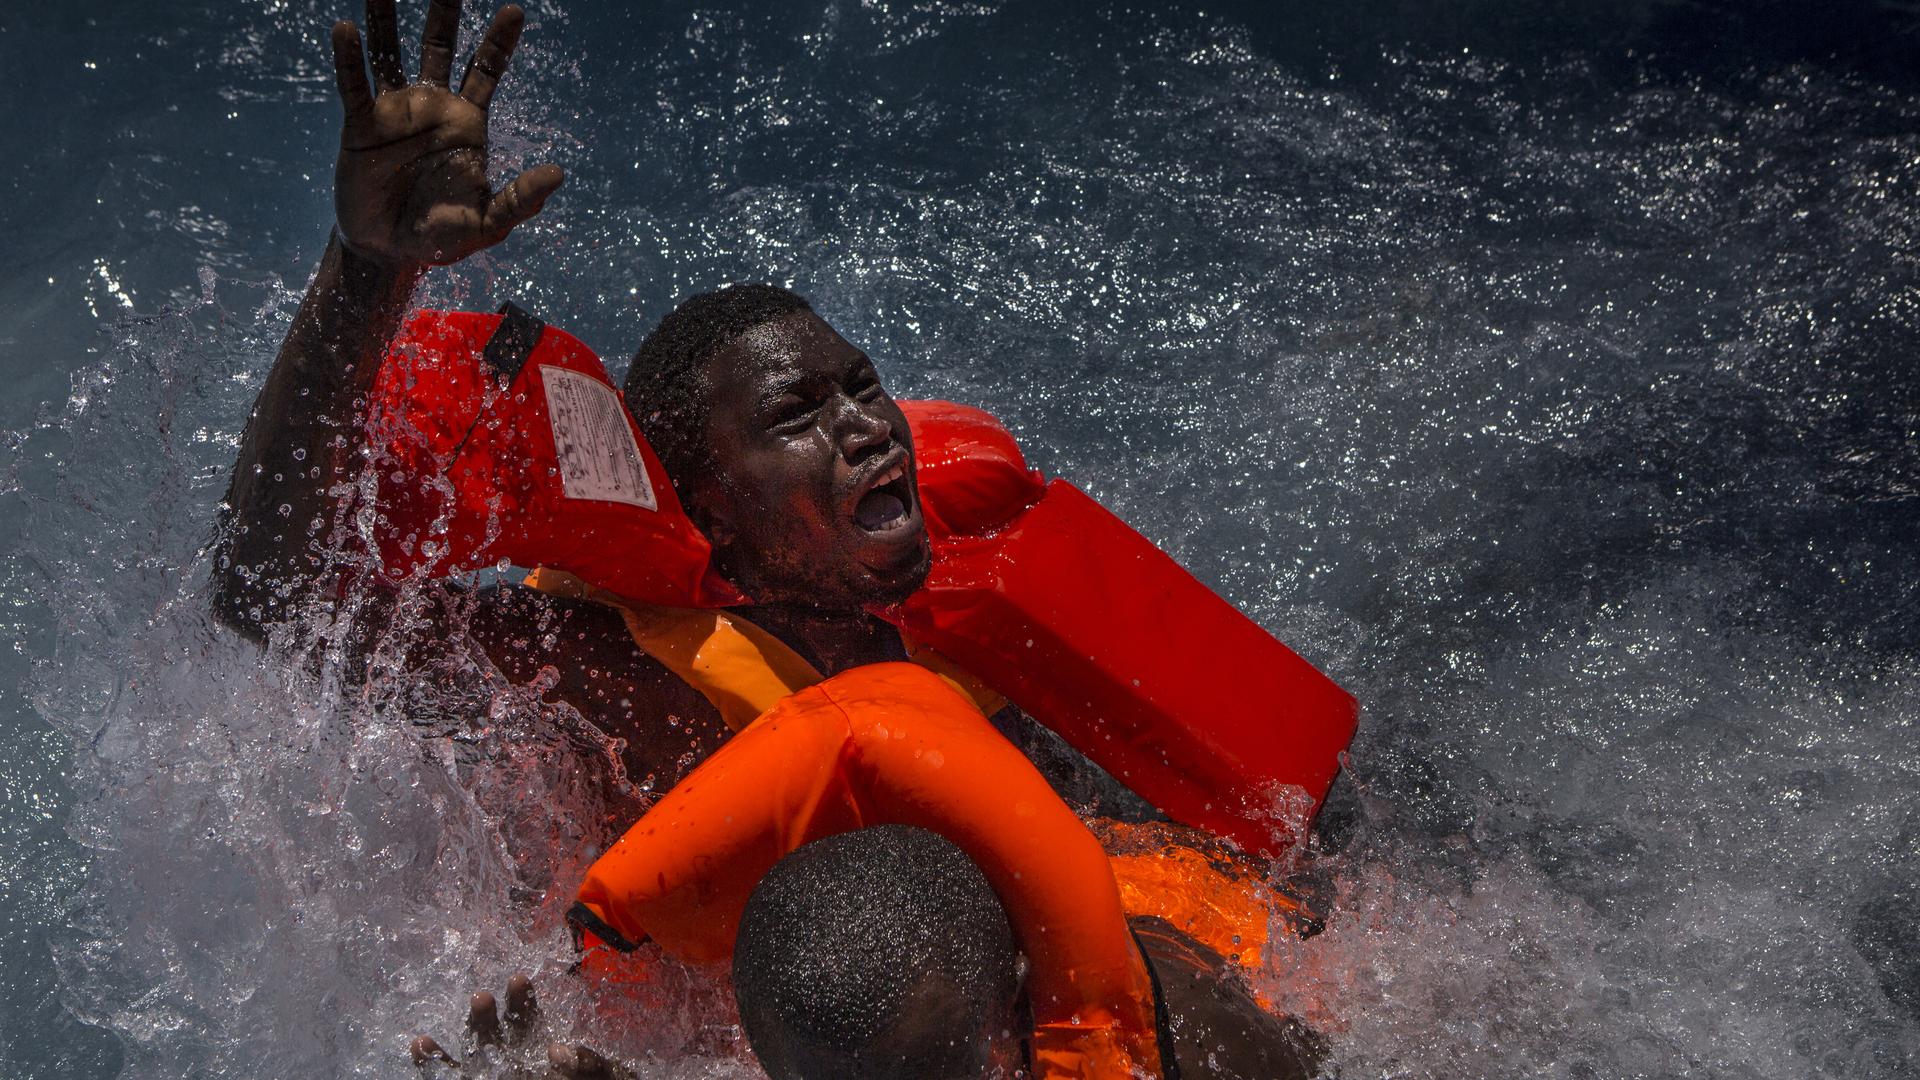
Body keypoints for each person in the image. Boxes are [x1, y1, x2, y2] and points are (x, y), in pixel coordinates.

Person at [212, 1, 1322, 1076]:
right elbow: (272, 595)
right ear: (709, 516)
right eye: (798, 418)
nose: (863, 425)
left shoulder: (938, 561)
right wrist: (365, 271)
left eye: (862, 386)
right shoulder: (622, 676)